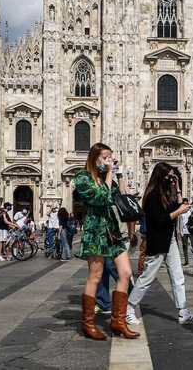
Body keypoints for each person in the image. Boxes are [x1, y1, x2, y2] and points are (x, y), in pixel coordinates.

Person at [73, 143, 139, 341]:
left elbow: (122, 198)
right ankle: (88, 323)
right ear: (95, 158)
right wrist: (109, 173)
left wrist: (119, 174)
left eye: (111, 156)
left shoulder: (107, 177)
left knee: (126, 273)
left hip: (111, 231)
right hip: (95, 231)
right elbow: (101, 198)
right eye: (106, 156)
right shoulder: (82, 178)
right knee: (95, 276)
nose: (110, 159)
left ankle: (118, 321)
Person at [126, 163, 193, 326]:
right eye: (169, 176)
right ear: (160, 176)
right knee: (147, 277)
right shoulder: (152, 196)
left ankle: (183, 312)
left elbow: (177, 206)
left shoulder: (165, 194)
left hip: (170, 240)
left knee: (178, 276)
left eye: (173, 176)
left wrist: (178, 188)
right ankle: (129, 309)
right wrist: (179, 211)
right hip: (158, 241)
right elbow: (160, 220)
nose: (171, 179)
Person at [178, 198, 192, 266]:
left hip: (191, 231)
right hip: (184, 231)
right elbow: (180, 222)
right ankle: (186, 261)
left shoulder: (190, 211)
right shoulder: (181, 213)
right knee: (184, 246)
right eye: (184, 204)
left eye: (186, 203)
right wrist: (180, 231)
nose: (185, 205)